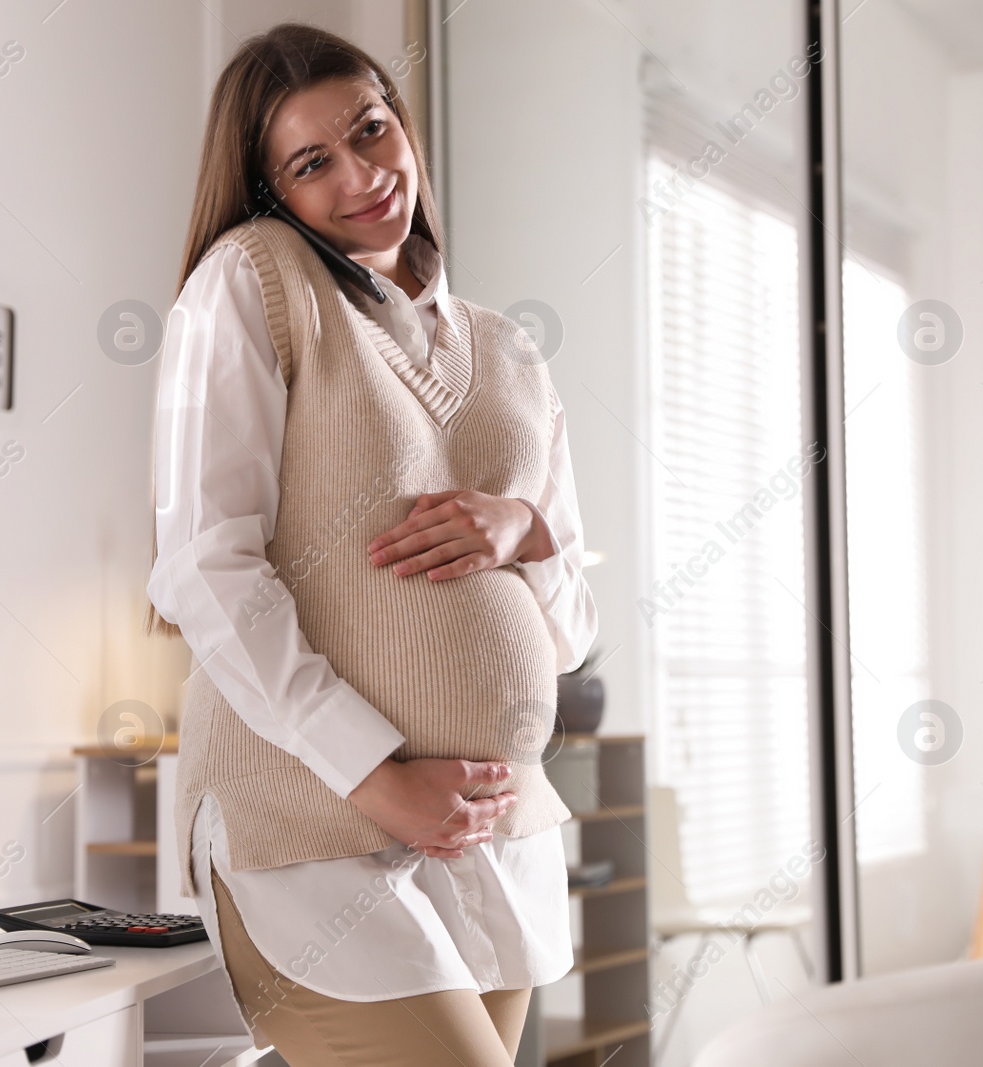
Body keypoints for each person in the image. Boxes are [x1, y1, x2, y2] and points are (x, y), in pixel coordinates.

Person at [145, 21, 600, 1067]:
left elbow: (572, 626)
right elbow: (207, 567)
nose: (363, 173)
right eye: (313, 162)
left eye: (371, 129)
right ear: (271, 193)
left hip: (498, 835)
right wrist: (373, 774)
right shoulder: (253, 280)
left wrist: (523, 530)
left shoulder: (510, 349)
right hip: (313, 829)